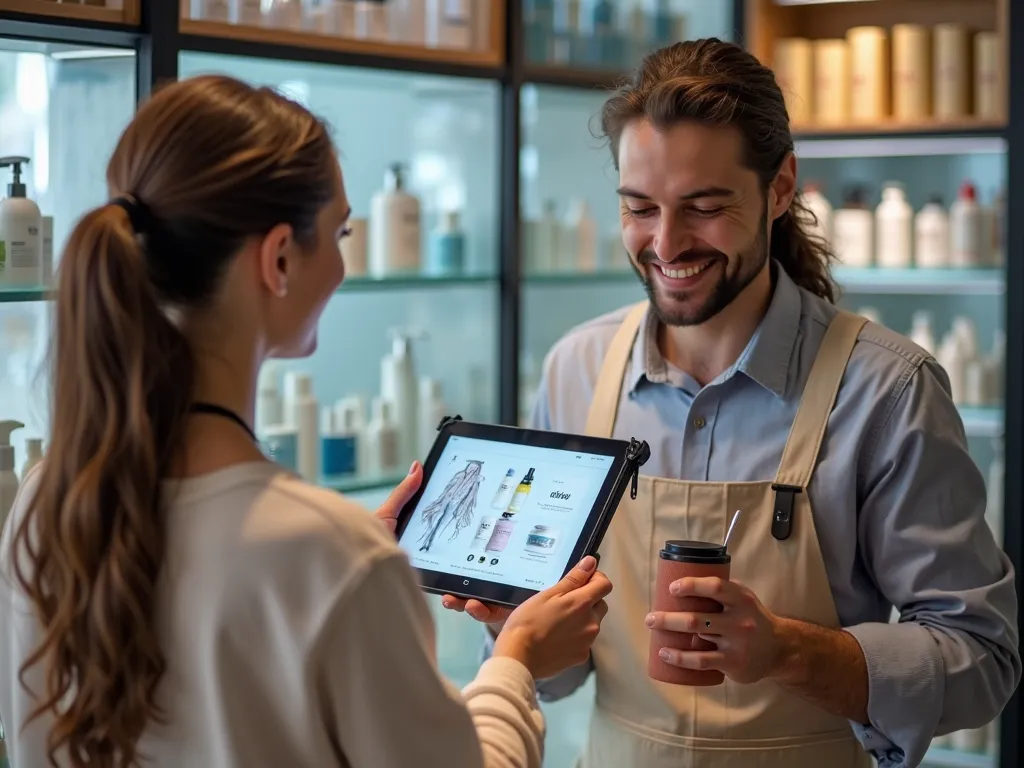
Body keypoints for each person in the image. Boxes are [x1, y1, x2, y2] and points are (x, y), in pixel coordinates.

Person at [0, 74, 613, 768]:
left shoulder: (47, 500)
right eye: (340, 232)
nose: (346, 263)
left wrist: (350, 558)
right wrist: (517, 660)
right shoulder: (329, 556)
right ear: (280, 258)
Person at [444, 39, 1021, 768]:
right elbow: (560, 681)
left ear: (781, 189)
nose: (666, 243)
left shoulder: (886, 390)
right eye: (639, 208)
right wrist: (517, 629)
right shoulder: (577, 370)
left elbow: (982, 661)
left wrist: (789, 651)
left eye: (704, 207)